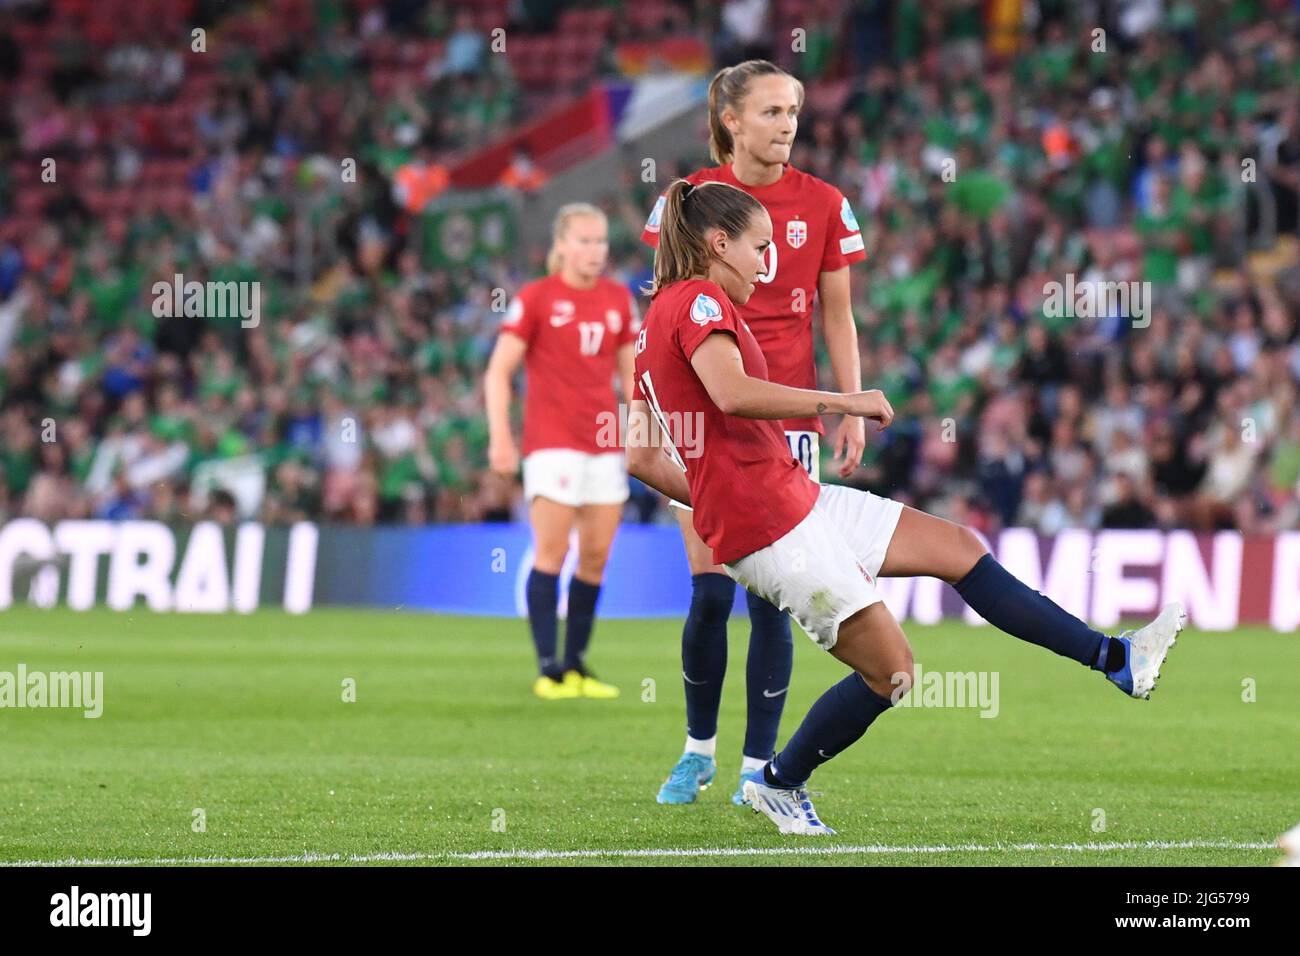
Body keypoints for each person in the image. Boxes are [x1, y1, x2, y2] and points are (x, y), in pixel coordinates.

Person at [626, 178, 1185, 835]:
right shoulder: (697, 303)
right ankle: (779, 782)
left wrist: (721, 501)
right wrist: (841, 401)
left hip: (790, 500)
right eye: (758, 247)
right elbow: (731, 394)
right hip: (775, 524)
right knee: (893, 673)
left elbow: (640, 458)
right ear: (718, 244)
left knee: (959, 549)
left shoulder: (659, 319)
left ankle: (1117, 661)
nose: (766, 262)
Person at [641, 59, 869, 806]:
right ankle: (695, 750)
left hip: (786, 414)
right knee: (708, 595)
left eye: (794, 110)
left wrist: (844, 402)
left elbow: (837, 312)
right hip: (704, 420)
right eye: (772, 111)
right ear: (731, 120)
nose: (788, 124)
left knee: (770, 604)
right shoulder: (692, 202)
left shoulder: (825, 203)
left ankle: (755, 768)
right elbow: (665, 305)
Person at [484, 203, 638, 700]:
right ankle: (548, 668)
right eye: (585, 241)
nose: (595, 250)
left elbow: (630, 374)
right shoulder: (537, 298)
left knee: (595, 557)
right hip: (552, 443)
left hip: (605, 443)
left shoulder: (617, 299)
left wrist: (643, 429)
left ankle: (576, 665)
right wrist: (501, 437)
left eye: (600, 241)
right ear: (563, 245)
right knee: (552, 552)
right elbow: (497, 371)